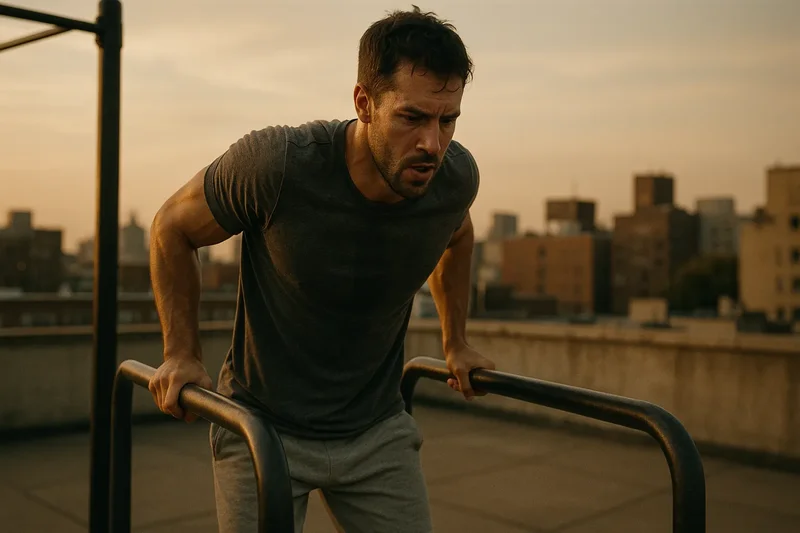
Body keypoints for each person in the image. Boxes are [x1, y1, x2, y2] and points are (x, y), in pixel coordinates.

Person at [147, 5, 495, 532]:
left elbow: (458, 234)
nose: (433, 144)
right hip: (262, 428)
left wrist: (457, 342)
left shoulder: (453, 178)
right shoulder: (280, 165)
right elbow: (171, 226)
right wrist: (180, 353)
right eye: (412, 118)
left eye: (447, 121)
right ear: (364, 103)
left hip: (377, 431)